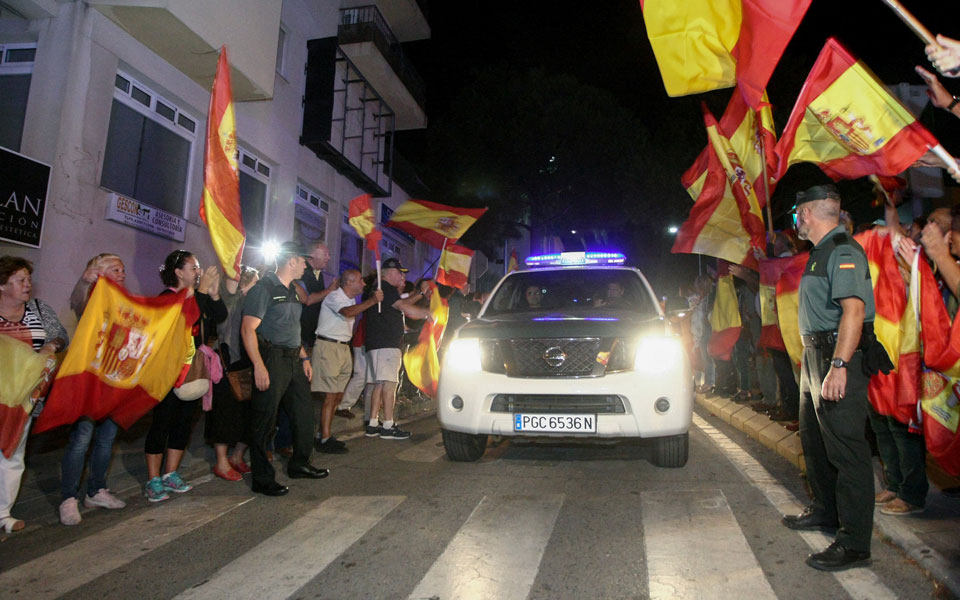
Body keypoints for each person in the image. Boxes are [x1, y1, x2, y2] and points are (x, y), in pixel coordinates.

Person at [780, 184, 876, 572]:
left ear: (806, 213)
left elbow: (854, 312)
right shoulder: (820, 252)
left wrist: (838, 366)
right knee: (816, 441)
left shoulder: (842, 250)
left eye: (797, 214)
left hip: (837, 357)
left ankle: (854, 543)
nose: (796, 221)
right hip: (815, 357)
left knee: (847, 450)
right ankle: (826, 510)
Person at [242, 242, 329, 497]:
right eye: (303, 261)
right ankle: (262, 479)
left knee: (304, 415)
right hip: (272, 359)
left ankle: (299, 464)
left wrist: (304, 358)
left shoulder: (292, 290)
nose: (305, 265)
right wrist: (259, 366)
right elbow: (248, 329)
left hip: (293, 359)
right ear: (291, 261)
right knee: (265, 420)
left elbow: (292, 328)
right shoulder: (264, 289)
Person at [143, 250, 227, 502]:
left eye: (199, 267)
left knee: (183, 422)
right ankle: (153, 479)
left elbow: (220, 317)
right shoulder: (167, 297)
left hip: (192, 370)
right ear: (178, 272)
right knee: (162, 422)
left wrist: (213, 294)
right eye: (194, 267)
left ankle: (171, 473)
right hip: (169, 370)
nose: (199, 271)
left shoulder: (198, 296)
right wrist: (201, 291)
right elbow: (186, 317)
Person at [0, 256, 69, 532]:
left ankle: (3, 514)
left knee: (13, 453)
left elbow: (61, 335)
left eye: (28, 279)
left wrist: (52, 345)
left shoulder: (39, 309)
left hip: (24, 398)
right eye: (20, 280)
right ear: (2, 285)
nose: (27, 284)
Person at [59, 254, 128, 525]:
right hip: (89, 381)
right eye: (115, 269)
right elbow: (76, 302)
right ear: (98, 273)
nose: (122, 274)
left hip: (114, 379)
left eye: (123, 270)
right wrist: (85, 281)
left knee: (106, 438)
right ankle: (68, 498)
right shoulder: (91, 296)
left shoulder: (125, 302)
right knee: (81, 439)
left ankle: (96, 491)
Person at [312, 270, 382, 453]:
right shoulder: (335, 297)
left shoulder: (350, 299)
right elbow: (347, 313)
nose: (363, 284)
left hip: (342, 347)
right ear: (349, 282)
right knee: (330, 396)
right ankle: (324, 438)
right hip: (329, 346)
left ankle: (324, 434)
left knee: (337, 395)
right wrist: (372, 301)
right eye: (360, 280)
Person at [363, 258, 431, 440]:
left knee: (380, 384)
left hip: (379, 344)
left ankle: (373, 423)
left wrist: (420, 294)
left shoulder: (383, 289)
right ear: (390, 272)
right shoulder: (386, 288)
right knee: (389, 385)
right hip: (386, 345)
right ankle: (388, 425)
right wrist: (428, 314)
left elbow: (404, 303)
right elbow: (406, 308)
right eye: (400, 272)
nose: (402, 276)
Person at [208, 266, 259, 481]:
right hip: (227, 361)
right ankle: (221, 462)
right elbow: (225, 318)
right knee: (224, 413)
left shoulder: (252, 304)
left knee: (249, 414)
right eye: (255, 282)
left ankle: (237, 456)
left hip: (247, 361)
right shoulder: (229, 300)